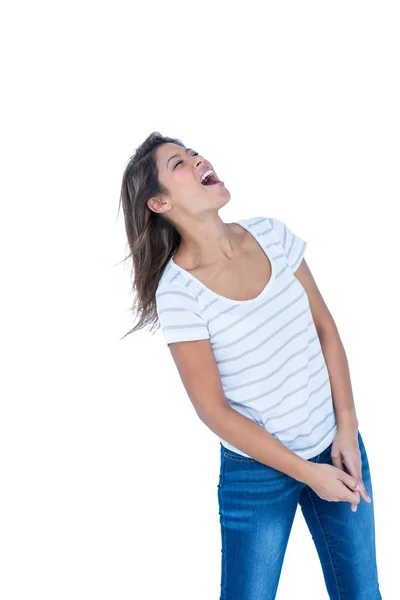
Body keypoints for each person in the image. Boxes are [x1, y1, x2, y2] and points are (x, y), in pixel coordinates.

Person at [118, 132, 382, 599]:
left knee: (362, 593)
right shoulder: (179, 292)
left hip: (334, 445)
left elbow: (326, 330)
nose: (199, 159)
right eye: (179, 162)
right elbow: (214, 411)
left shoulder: (271, 233)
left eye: (195, 152)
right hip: (256, 473)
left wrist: (347, 428)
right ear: (159, 203)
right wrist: (306, 473)